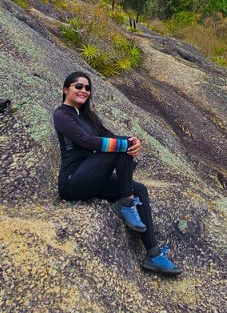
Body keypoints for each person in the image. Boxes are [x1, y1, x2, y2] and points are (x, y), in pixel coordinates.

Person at [52, 71, 182, 276]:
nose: (84, 90)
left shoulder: (88, 117)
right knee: (119, 148)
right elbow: (87, 141)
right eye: (78, 86)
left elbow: (110, 137)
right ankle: (126, 203)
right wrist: (125, 145)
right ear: (66, 89)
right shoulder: (61, 114)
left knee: (140, 189)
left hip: (91, 177)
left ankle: (153, 254)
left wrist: (134, 142)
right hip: (72, 181)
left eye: (88, 88)